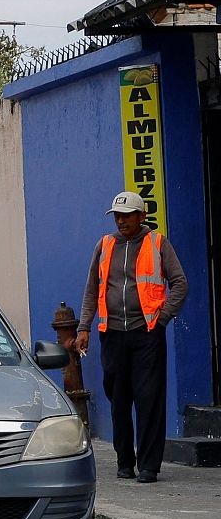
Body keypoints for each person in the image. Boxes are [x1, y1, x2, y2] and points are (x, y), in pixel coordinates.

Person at [74, 192, 189, 483]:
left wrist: (162, 319)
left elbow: (180, 283)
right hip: (112, 335)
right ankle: (124, 461)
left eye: (127, 215)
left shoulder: (158, 243)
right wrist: (84, 328)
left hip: (147, 333)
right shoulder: (105, 245)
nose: (121, 220)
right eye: (117, 215)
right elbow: (91, 290)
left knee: (149, 398)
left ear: (142, 216)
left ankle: (149, 465)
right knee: (119, 398)